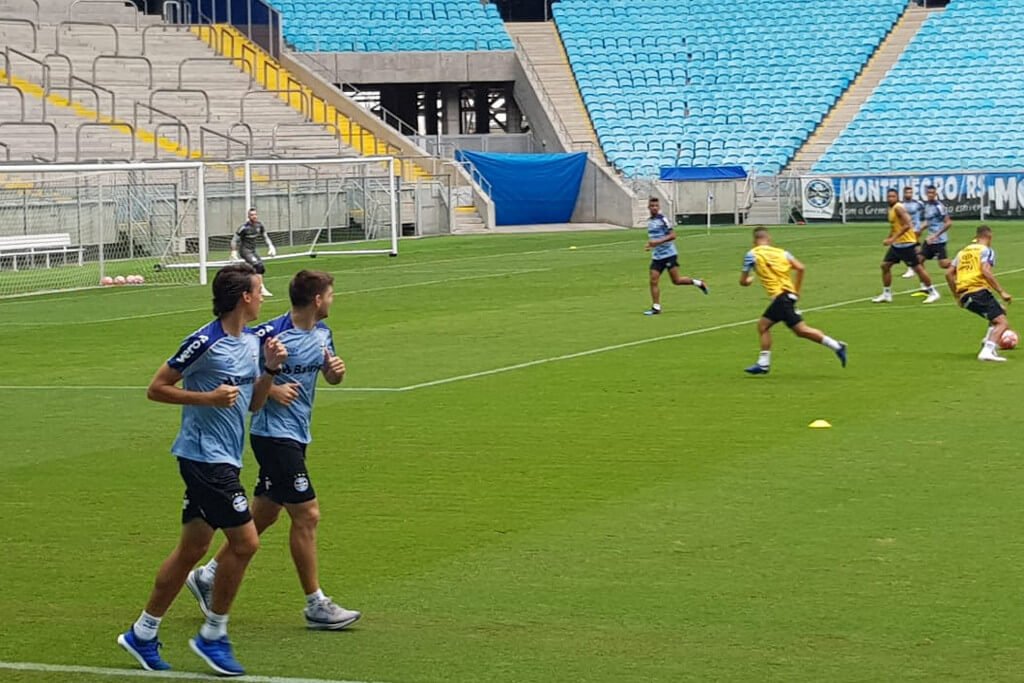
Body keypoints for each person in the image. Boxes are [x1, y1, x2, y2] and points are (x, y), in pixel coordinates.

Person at [117, 264, 288, 676]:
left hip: (226, 457)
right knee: (245, 543)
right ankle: (214, 634)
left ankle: (142, 632)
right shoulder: (203, 343)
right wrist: (206, 398)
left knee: (193, 548)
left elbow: (253, 405)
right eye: (260, 290)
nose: (265, 296)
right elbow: (156, 388)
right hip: (202, 458)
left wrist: (268, 370)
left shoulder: (251, 342)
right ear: (243, 298)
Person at [187, 270, 362, 631]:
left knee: (265, 513)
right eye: (330, 294)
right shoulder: (269, 333)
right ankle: (316, 604)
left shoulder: (323, 334)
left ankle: (208, 575)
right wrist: (271, 389)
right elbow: (237, 358)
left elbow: (328, 377)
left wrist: (335, 373)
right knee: (307, 514)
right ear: (317, 299)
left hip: (298, 435)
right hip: (272, 435)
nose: (332, 300)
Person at [740, 227, 847, 375]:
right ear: (769, 239)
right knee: (794, 330)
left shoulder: (751, 255)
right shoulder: (783, 253)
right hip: (787, 296)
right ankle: (836, 346)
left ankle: (764, 364)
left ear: (754, 241)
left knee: (769, 327)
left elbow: (743, 281)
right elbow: (801, 268)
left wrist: (750, 279)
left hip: (780, 298)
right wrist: (796, 291)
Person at [946, 225, 1013, 362]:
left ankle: (988, 342)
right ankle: (987, 351)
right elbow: (985, 271)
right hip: (977, 291)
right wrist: (1002, 292)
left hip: (965, 295)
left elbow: (948, 274)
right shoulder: (986, 251)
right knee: (1002, 323)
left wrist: (956, 296)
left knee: (1001, 310)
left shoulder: (963, 252)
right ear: (989, 236)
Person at [872, 188, 940, 304]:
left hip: (906, 244)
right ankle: (887, 294)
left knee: (918, 268)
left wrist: (893, 238)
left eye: (893, 196)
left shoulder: (899, 208)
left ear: (897, 197)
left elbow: (908, 224)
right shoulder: (891, 208)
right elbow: (894, 226)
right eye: (889, 196)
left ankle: (933, 292)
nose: (890, 198)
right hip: (897, 245)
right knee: (885, 266)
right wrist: (890, 238)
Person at [643, 197, 708, 315]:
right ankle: (656, 307)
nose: (654, 208)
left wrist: (657, 243)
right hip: (657, 256)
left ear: (659, 207)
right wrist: (650, 245)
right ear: (648, 207)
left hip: (669, 255)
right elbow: (654, 237)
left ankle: (699, 283)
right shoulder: (650, 221)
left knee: (676, 281)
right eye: (652, 206)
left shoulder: (663, 219)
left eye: (656, 206)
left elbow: (673, 235)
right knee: (653, 281)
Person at [232, 208, 276, 297]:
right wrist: (233, 251)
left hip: (253, 250)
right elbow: (234, 239)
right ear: (248, 216)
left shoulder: (259, 226)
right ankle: (260, 288)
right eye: (252, 215)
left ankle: (248, 287)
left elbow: (265, 236)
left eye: (255, 214)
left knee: (259, 268)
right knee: (257, 266)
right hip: (245, 250)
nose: (254, 216)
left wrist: (271, 246)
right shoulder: (243, 228)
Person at [916, 184, 953, 276]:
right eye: (929, 193)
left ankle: (959, 265)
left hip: (939, 240)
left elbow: (948, 223)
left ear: (936, 194)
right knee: (919, 260)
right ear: (926, 194)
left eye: (932, 193)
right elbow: (929, 221)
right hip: (929, 239)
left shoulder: (939, 206)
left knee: (943, 264)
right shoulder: (927, 205)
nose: (930, 195)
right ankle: (926, 285)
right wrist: (920, 229)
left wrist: (936, 235)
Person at [899, 185, 925, 280]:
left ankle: (911, 268)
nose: (908, 194)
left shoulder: (918, 204)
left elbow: (925, 212)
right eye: (907, 192)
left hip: (915, 229)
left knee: (912, 249)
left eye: (910, 192)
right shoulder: (901, 205)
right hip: (906, 231)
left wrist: (921, 225)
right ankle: (915, 266)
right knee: (913, 249)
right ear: (904, 193)